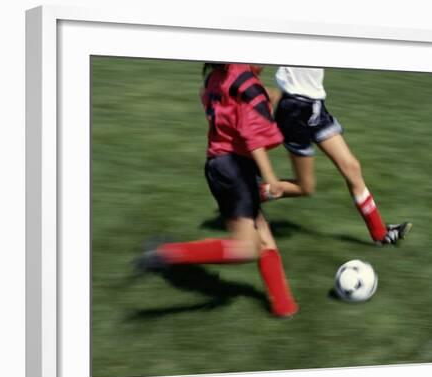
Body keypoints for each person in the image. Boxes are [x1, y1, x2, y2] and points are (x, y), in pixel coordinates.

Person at [136, 63, 298, 318]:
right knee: (246, 248)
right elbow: (253, 137)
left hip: (218, 165)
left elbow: (226, 100)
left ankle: (284, 306)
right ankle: (166, 254)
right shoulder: (247, 84)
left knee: (264, 239)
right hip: (236, 168)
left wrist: (269, 95)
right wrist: (271, 179)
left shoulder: (218, 77)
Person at [262, 66, 412, 245]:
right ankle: (245, 196)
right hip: (295, 110)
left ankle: (380, 234)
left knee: (352, 167)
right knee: (305, 187)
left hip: (316, 106)